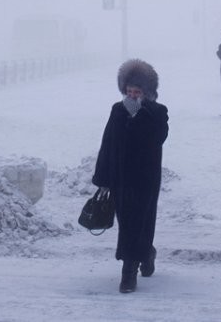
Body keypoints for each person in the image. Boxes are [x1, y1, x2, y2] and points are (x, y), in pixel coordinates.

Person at [92, 59, 169, 294]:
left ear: (147, 92)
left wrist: (140, 116)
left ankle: (133, 267)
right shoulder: (117, 110)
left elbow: (158, 138)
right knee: (127, 223)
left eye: (138, 91)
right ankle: (136, 262)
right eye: (129, 91)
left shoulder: (157, 112)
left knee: (142, 220)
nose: (133, 95)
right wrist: (103, 178)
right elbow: (108, 143)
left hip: (146, 178)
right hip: (121, 178)